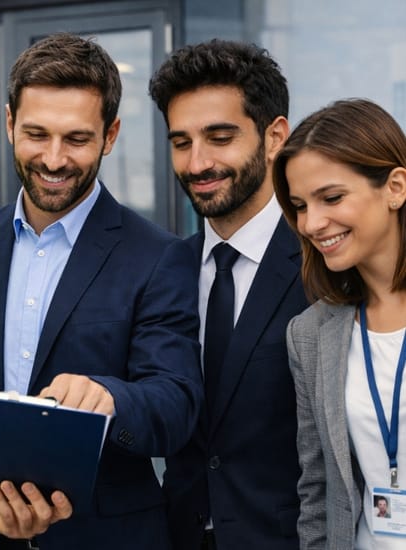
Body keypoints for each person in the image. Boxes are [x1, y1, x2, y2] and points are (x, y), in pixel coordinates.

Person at [0, 32, 203, 550]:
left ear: (111, 135)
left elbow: (176, 406)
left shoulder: (159, 255)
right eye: (37, 134)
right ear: (10, 122)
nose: (54, 159)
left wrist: (110, 397)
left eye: (77, 139)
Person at [148, 39, 309, 550]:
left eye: (219, 137)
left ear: (274, 136)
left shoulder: (322, 267)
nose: (197, 163)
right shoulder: (163, 267)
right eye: (181, 142)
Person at [273, 97, 406, 549]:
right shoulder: (309, 334)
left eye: (331, 198)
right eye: (299, 205)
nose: (312, 223)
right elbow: (317, 491)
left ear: (395, 187)